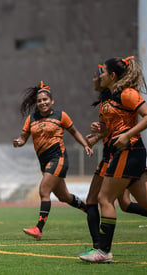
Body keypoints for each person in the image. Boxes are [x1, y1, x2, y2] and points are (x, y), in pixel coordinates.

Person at [79, 56, 147, 263]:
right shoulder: (110, 96)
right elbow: (112, 128)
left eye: (102, 72)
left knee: (104, 199)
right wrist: (99, 132)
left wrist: (127, 135)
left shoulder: (128, 93)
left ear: (112, 75)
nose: (99, 75)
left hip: (129, 151)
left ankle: (103, 251)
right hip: (127, 152)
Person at [13, 81, 93, 240]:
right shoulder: (31, 118)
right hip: (44, 163)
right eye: (39, 101)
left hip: (58, 158)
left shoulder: (61, 116)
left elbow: (74, 132)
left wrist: (85, 145)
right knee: (64, 197)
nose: (42, 103)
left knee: (44, 191)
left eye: (45, 100)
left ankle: (38, 229)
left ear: (52, 101)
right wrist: (18, 143)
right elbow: (23, 138)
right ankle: (90, 210)